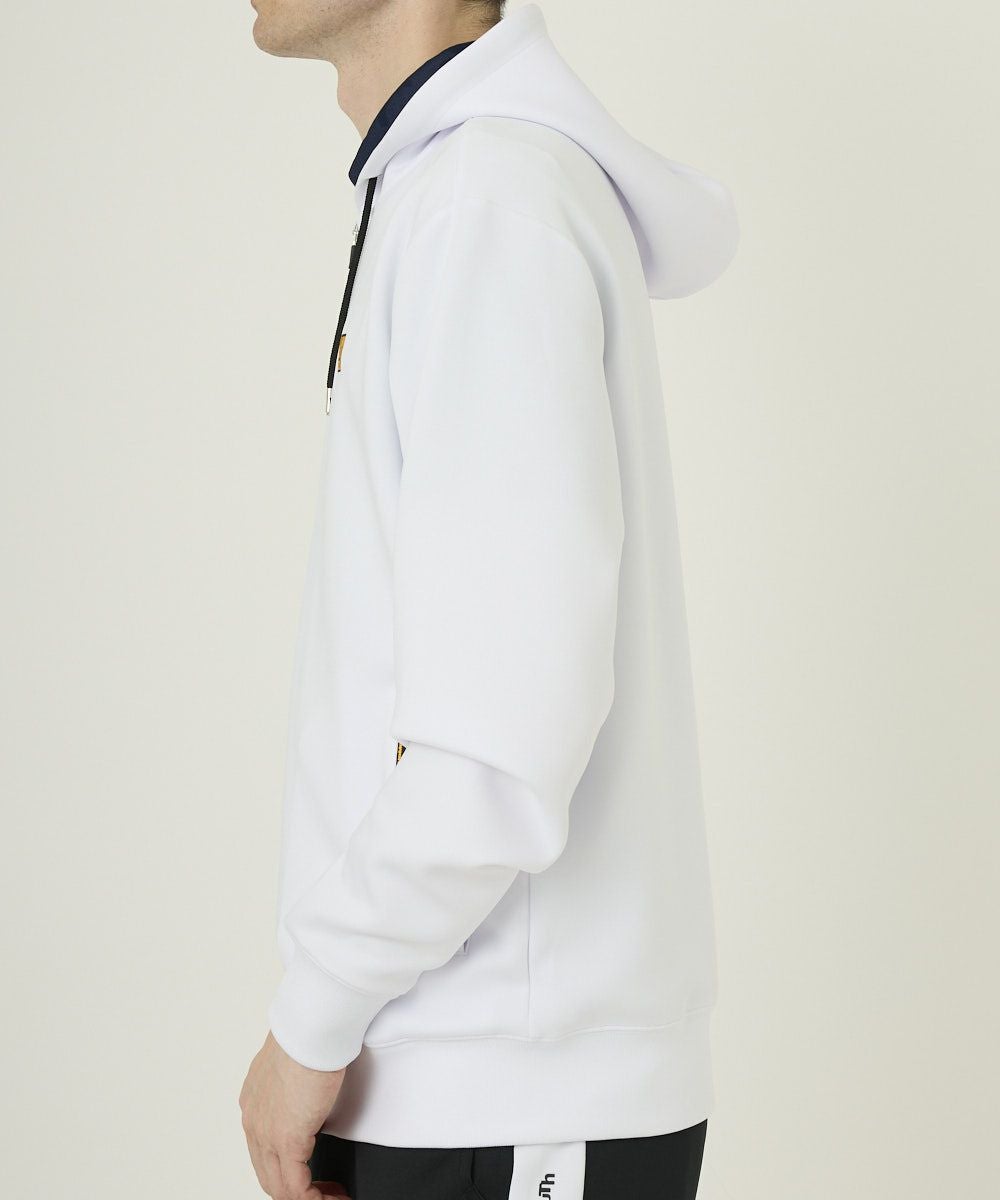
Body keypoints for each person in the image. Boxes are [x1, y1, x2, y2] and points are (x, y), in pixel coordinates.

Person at [238, 3, 739, 1198]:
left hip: (504, 1092)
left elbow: (500, 739)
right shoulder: (448, 189)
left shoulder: (488, 200)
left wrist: (310, 1018)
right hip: (460, 1078)